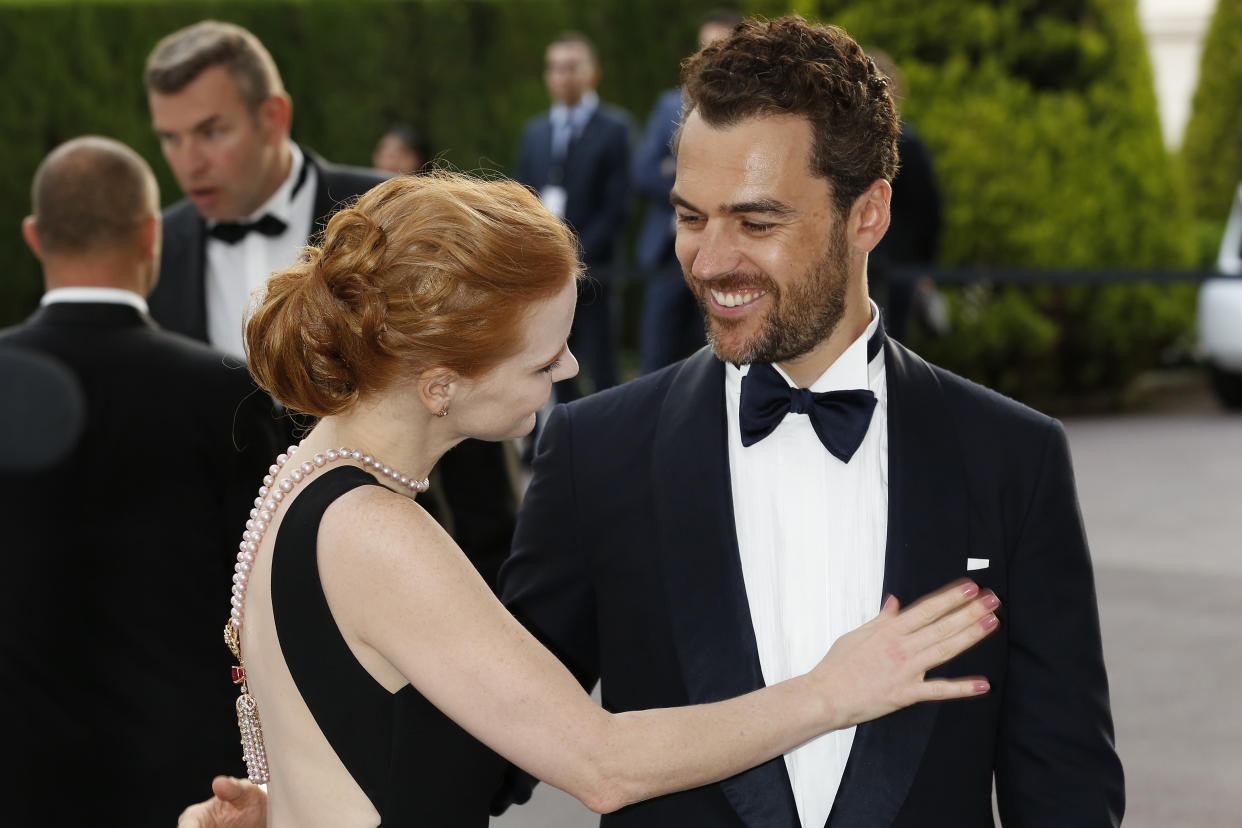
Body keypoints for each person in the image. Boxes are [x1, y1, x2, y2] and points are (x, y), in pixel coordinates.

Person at [178, 172, 999, 827]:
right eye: (542, 362)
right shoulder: (376, 531)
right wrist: (832, 690)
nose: (570, 370)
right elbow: (604, 764)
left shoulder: (300, 483)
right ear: (439, 384)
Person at [497, 16, 1124, 826]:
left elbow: (1065, 790)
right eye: (692, 217)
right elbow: (492, 744)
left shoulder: (1012, 457)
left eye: (758, 223)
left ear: (868, 215)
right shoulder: (595, 453)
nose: (713, 260)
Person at [142, 19, 517, 591]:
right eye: (170, 138)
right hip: (216, 599)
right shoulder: (156, 251)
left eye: (211, 131)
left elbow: (469, 423)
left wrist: (498, 599)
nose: (188, 162)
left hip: (397, 579)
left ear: (274, 116)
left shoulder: (393, 220)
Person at [0, 136, 281, 826]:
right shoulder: (230, 395)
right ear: (152, 233)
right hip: (189, 780)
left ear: (35, 237)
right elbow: (268, 601)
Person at [514, 32, 632, 400]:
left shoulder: (615, 128)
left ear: (591, 73)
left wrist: (576, 255)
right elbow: (521, 196)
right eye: (554, 68)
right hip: (547, 272)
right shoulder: (535, 132)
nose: (561, 76)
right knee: (554, 368)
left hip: (595, 271)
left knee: (600, 366)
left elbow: (617, 205)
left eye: (570, 67)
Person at [633, 10, 740, 373]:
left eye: (723, 47)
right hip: (667, 251)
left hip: (730, 252)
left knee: (719, 356)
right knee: (656, 356)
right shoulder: (668, 105)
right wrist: (705, 187)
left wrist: (677, 170)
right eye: (706, 48)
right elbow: (645, 170)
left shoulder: (752, 110)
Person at [866, 49, 946, 343]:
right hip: (895, 263)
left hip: (887, 265)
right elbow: (929, 211)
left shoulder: (906, 144)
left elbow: (927, 211)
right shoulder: (908, 143)